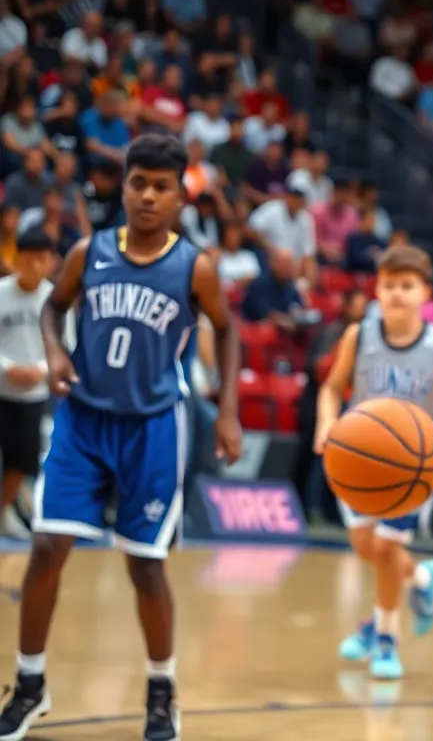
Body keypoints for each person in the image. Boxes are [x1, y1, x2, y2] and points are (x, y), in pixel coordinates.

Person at [0, 136, 243, 741]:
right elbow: (53, 309)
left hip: (154, 427)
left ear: (179, 197)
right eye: (140, 184)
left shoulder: (196, 267)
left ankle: (162, 693)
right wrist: (55, 350)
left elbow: (228, 331)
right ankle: (30, 684)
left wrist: (230, 409)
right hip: (84, 420)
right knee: (49, 548)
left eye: (163, 187)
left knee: (145, 566)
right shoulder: (89, 252)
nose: (149, 196)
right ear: (124, 185)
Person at [313, 245, 433, 679]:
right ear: (377, 288)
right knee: (366, 549)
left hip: (414, 466)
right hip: (359, 460)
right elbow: (331, 388)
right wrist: (326, 423)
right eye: (388, 285)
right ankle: (424, 581)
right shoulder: (359, 335)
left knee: (388, 548)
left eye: (406, 286)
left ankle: (386, 637)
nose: (396, 293)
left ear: (425, 293)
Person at [0, 230, 58, 540]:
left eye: (42, 258)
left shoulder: (54, 301)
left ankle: (5, 510)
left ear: (51, 262)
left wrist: (41, 369)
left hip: (32, 394)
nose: (35, 265)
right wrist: (7, 367)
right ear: (16, 258)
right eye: (29, 257)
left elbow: (66, 345)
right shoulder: (1, 293)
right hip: (1, 388)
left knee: (20, 458)